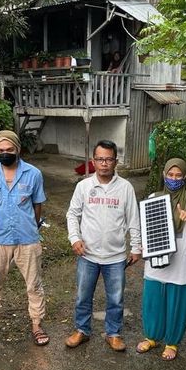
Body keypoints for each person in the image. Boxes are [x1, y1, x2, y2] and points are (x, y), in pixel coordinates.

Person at [0, 130, 49, 346]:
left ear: (18, 149)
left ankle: (36, 324)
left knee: (34, 284)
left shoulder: (33, 174)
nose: (5, 153)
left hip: (28, 239)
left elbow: (37, 205)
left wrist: (32, 226)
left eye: (9, 150)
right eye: (0, 150)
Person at [65, 140, 141, 352]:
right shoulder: (84, 186)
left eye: (109, 159)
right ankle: (82, 330)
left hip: (115, 256)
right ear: (93, 161)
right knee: (83, 295)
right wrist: (74, 238)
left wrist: (136, 247)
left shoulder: (125, 188)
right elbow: (72, 214)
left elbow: (133, 219)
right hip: (87, 255)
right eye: (100, 159)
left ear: (115, 161)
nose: (104, 163)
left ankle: (114, 333)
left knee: (116, 299)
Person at [136, 158, 186, 361]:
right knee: (153, 298)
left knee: (177, 300)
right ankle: (151, 337)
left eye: (178, 175)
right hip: (158, 255)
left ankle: (172, 342)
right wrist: (144, 245)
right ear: (164, 174)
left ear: (185, 176)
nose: (174, 178)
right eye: (170, 174)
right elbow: (147, 228)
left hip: (182, 257)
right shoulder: (154, 197)